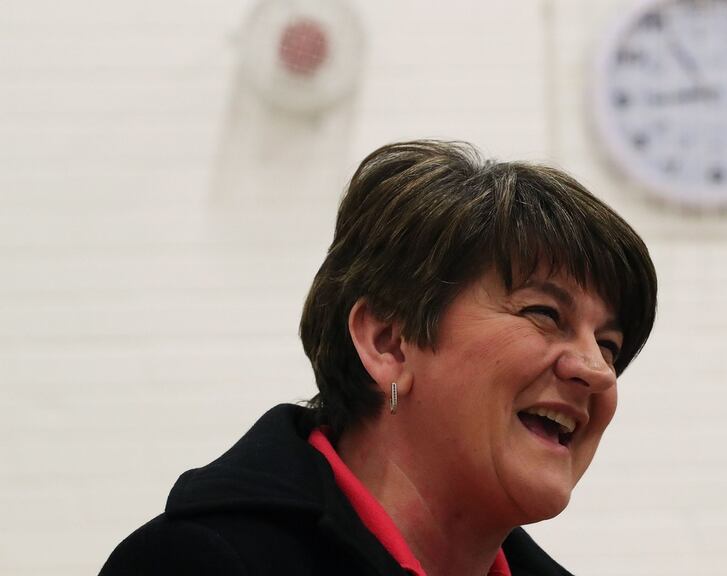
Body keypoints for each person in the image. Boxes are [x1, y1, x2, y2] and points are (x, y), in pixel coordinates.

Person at [100, 140, 658, 576]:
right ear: (389, 343)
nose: (596, 370)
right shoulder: (200, 569)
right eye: (544, 313)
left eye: (608, 344)